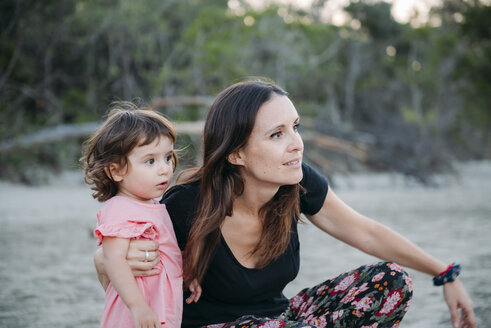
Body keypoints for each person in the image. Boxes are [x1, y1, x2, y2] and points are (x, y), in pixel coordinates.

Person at [94, 80, 476, 328]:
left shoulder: (294, 182)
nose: (296, 144)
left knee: (391, 281)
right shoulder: (186, 205)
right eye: (277, 134)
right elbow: (117, 260)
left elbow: (364, 231)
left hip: (282, 319)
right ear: (237, 153)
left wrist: (445, 273)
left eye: (296, 127)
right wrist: (103, 261)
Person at [83, 102, 184, 328]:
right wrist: (137, 306)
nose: (165, 169)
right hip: (135, 314)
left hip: (159, 308)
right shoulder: (120, 208)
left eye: (167, 157)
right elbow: (113, 259)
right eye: (150, 161)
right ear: (116, 170)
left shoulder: (150, 205)